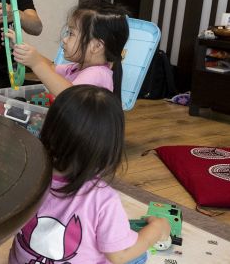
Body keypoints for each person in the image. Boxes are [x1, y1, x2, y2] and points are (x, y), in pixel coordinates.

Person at [9, 85, 171, 264]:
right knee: (138, 255)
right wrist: (156, 230)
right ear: (109, 149)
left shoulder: (27, 174)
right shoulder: (103, 199)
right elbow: (120, 255)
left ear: (48, 129)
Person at [9, 0, 129, 98]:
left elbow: (69, 96)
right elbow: (51, 67)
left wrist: (36, 64)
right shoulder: (77, 68)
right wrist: (25, 50)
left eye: (71, 34)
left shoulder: (98, 74)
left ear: (96, 46)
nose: (65, 39)